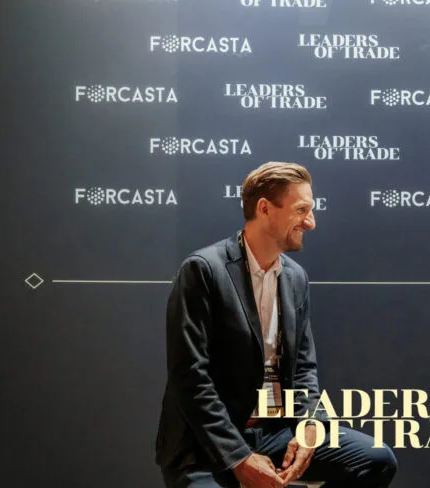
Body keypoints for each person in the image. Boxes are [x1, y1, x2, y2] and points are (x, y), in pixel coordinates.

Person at [156, 161, 397, 488]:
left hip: (273, 433)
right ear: (265, 208)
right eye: (302, 210)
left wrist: (310, 427)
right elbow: (190, 377)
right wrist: (239, 457)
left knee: (376, 459)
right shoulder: (202, 270)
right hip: (206, 445)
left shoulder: (296, 277)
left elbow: (302, 367)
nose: (311, 222)